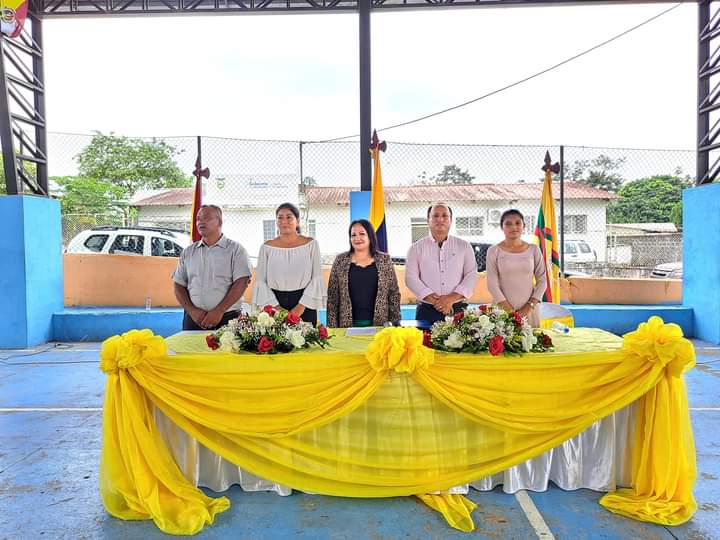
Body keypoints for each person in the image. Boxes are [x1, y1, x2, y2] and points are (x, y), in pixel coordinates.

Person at [173, 205, 253, 331]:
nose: (201, 222)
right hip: (194, 319)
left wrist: (219, 311)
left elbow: (241, 282)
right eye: (198, 219)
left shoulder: (236, 250)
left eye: (206, 218)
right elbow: (178, 285)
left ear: (220, 222)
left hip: (227, 319)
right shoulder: (188, 252)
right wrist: (192, 311)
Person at [252, 202, 325, 325]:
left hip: (305, 303)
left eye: (289, 217)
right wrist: (277, 308)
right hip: (274, 303)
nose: (284, 221)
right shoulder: (266, 247)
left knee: (306, 337)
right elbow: (261, 281)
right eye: (280, 217)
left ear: (298, 221)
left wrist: (300, 307)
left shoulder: (311, 244)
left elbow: (316, 277)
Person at [405, 203, 478, 325]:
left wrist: (450, 299)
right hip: (427, 310)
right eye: (435, 216)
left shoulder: (464, 246)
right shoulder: (416, 248)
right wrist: (438, 302)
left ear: (451, 220)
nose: (440, 219)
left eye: (445, 216)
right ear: (428, 220)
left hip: (457, 309)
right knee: (424, 338)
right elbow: (411, 278)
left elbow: (471, 276)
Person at [326, 219, 401, 328]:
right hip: (347, 326)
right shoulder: (340, 260)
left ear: (370, 236)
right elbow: (332, 297)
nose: (357, 238)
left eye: (362, 234)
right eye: (353, 235)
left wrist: (395, 326)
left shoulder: (385, 260)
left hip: (380, 325)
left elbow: (393, 295)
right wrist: (332, 328)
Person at [486, 209, 548, 328]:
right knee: (502, 339)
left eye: (518, 223)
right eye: (508, 224)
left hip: (530, 310)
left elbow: (542, 280)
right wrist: (511, 312)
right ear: (502, 227)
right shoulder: (493, 251)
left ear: (524, 226)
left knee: (531, 339)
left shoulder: (534, 250)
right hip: (502, 311)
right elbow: (492, 285)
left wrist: (528, 307)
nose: (513, 227)